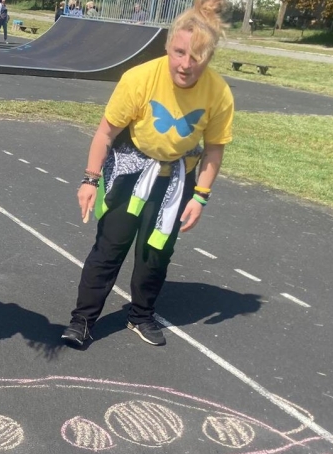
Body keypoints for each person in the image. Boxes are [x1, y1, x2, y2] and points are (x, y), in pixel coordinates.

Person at [61, 0, 233, 349]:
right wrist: (90, 179)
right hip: (131, 169)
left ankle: (141, 315)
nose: (185, 65)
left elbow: (214, 147)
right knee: (110, 247)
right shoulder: (139, 78)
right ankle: (82, 320)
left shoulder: (218, 93)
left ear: (209, 58)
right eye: (179, 52)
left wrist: (201, 196)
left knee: (156, 252)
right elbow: (105, 133)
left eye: (196, 57)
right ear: (169, 46)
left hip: (177, 177)